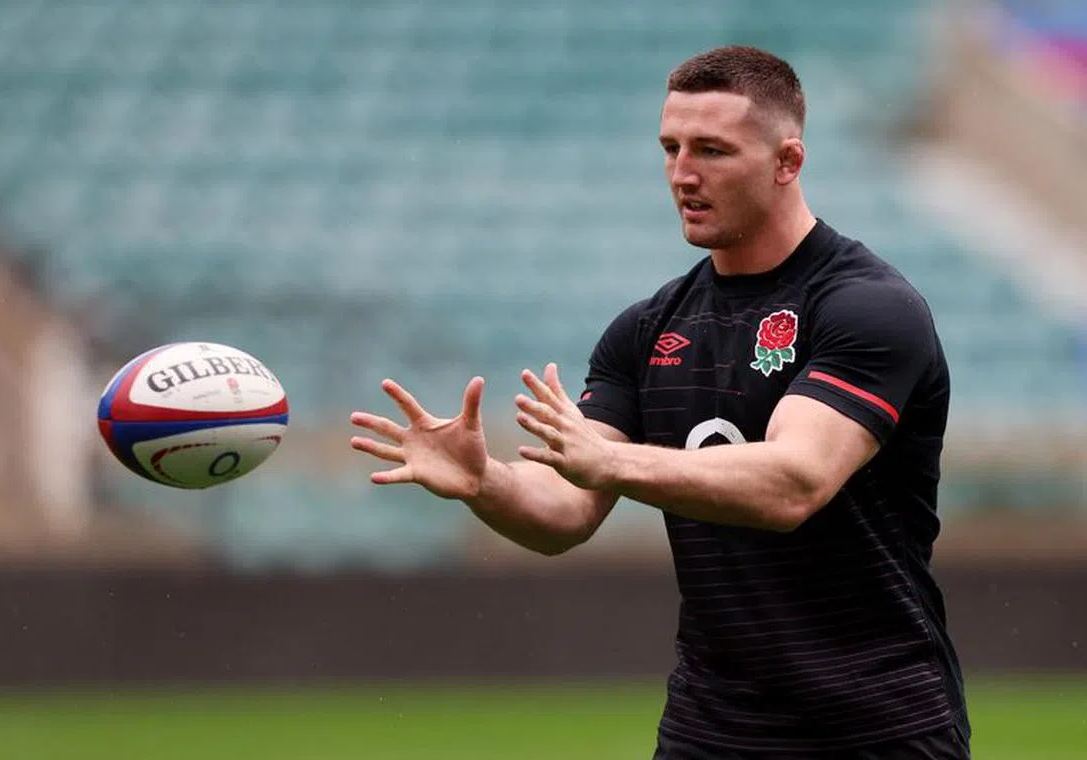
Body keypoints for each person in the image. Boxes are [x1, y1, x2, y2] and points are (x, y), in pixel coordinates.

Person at [350, 45, 970, 759]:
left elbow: (795, 482)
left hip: (876, 727)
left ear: (787, 162)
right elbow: (564, 512)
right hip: (711, 730)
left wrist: (609, 460)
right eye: (670, 148)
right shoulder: (647, 330)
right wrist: (484, 483)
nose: (683, 174)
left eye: (712, 150)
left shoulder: (866, 307)